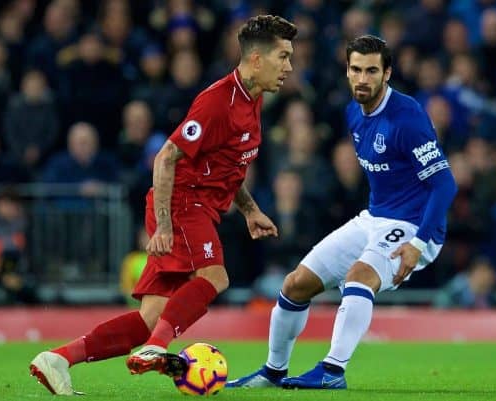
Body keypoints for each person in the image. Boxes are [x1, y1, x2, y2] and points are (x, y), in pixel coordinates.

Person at [29, 15, 297, 395]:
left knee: (151, 317)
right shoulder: (218, 100)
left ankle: (58, 358)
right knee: (215, 277)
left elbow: (228, 168)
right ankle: (158, 347)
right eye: (283, 56)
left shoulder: (252, 102)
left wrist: (250, 210)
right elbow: (166, 157)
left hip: (195, 205)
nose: (289, 67)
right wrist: (166, 225)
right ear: (256, 59)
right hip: (184, 203)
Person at [228, 35, 457, 390]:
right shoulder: (353, 111)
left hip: (414, 226)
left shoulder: (407, 117)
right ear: (347, 71)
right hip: (374, 218)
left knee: (358, 276)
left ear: (387, 74)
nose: (362, 78)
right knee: (295, 284)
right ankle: (274, 371)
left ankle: (333, 370)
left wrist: (419, 242)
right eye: (355, 70)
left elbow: (444, 185)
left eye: (371, 71)